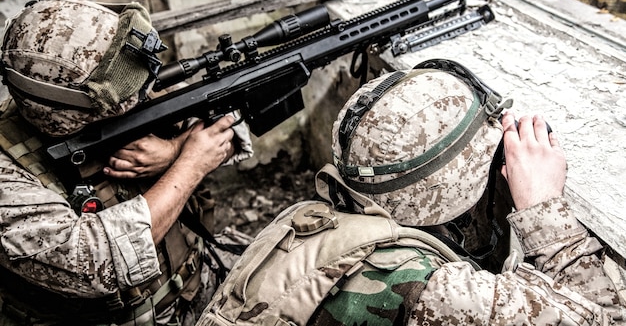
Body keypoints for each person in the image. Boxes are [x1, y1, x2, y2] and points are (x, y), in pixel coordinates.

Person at [197, 59, 626, 326]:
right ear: (457, 192)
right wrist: (543, 210)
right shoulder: (433, 289)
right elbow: (608, 315)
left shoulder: (311, 222)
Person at [0, 0, 253, 325]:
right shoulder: (8, 175)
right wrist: (190, 165)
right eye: (123, 97)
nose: (141, 97)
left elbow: (228, 120)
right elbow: (93, 261)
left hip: (196, 284)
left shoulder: (122, 76)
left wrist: (174, 150)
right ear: (67, 112)